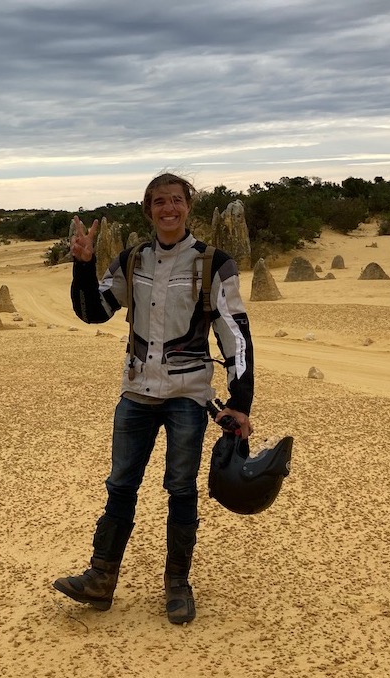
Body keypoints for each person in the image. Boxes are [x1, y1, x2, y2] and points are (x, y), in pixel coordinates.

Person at [53, 173, 254, 624]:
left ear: (189, 207)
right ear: (148, 210)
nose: (169, 209)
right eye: (159, 202)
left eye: (176, 201)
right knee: (120, 486)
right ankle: (100, 580)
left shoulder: (214, 264)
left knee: (181, 488)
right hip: (136, 393)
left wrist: (240, 401)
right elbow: (93, 311)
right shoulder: (132, 260)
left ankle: (178, 585)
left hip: (189, 395)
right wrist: (83, 265)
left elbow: (235, 335)